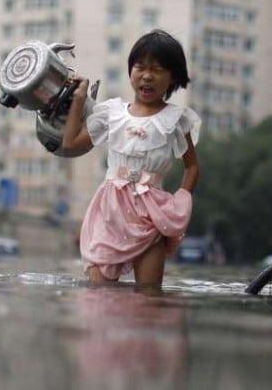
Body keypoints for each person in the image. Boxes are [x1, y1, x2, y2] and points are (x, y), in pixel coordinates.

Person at [61, 29, 200, 287]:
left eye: (158, 69)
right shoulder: (112, 112)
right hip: (109, 214)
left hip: (152, 217)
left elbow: (192, 167)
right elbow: (69, 145)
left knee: (149, 297)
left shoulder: (177, 119)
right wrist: (79, 100)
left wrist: (180, 203)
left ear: (173, 78)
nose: (147, 76)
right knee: (98, 293)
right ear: (130, 70)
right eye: (140, 67)